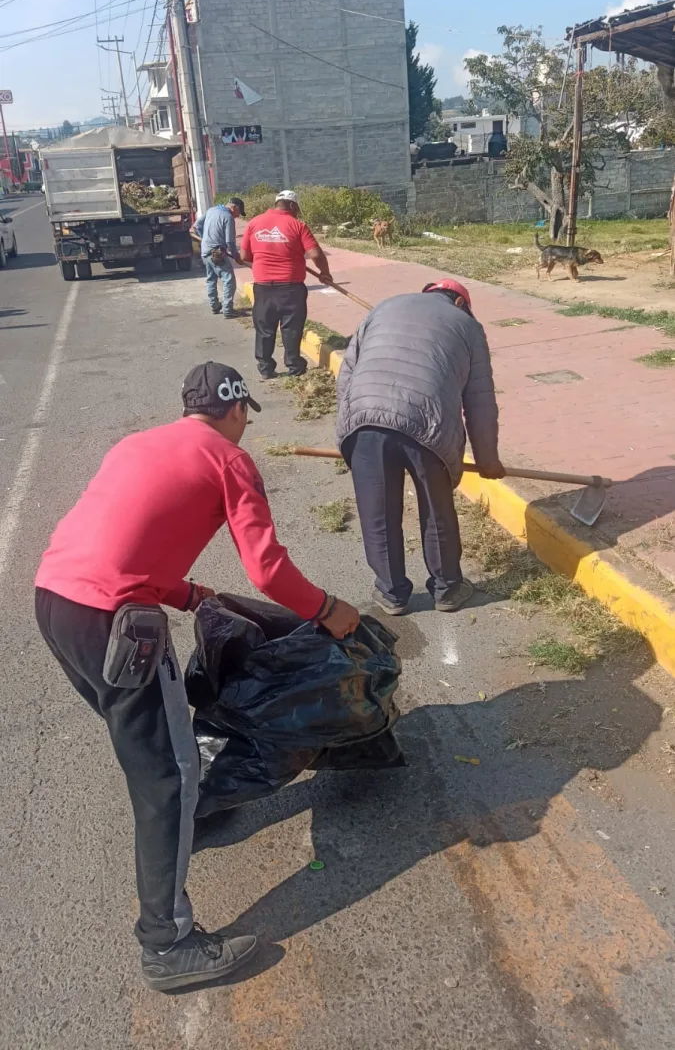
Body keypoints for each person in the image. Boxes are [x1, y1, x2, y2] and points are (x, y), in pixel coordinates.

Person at [35, 362, 359, 993]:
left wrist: (190, 594)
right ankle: (168, 944)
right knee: (167, 774)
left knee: (156, 755)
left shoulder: (138, 443)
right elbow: (268, 570)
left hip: (55, 603)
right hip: (116, 624)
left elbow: (121, 542)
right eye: (245, 417)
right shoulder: (229, 460)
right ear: (237, 411)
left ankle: (183, 822)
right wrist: (328, 611)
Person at [336, 280, 505, 616]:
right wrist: (488, 461)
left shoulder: (383, 306)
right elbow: (479, 402)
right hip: (426, 425)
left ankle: (392, 593)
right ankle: (448, 590)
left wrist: (346, 434)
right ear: (460, 302)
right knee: (436, 509)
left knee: (378, 514)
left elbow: (346, 376)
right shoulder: (468, 326)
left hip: (365, 419)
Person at [239, 189, 333, 379]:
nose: (298, 212)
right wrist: (325, 273)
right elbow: (316, 254)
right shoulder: (297, 225)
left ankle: (265, 368)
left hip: (263, 287)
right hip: (291, 287)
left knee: (264, 328)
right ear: (291, 205)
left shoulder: (254, 223)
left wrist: (262, 266)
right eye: (297, 207)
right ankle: (294, 366)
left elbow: (243, 257)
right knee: (291, 328)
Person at [191, 197, 245, 318]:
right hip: (217, 253)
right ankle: (228, 310)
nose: (238, 216)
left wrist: (205, 239)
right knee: (229, 279)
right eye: (238, 212)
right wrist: (236, 256)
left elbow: (196, 226)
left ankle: (214, 305)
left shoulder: (211, 210)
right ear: (234, 207)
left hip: (205, 251)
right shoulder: (228, 218)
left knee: (211, 279)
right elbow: (230, 242)